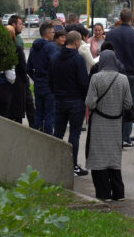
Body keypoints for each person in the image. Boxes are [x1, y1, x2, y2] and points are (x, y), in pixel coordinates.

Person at [85, 50, 133, 201]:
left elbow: (90, 102)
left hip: (99, 122)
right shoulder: (123, 79)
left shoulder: (96, 78)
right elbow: (128, 103)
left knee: (98, 157)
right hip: (116, 124)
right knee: (113, 157)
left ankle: (103, 193)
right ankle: (119, 193)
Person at [50, 31, 90, 177]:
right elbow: (83, 81)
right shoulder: (77, 59)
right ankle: (72, 165)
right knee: (74, 133)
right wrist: (85, 97)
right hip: (75, 101)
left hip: (59, 100)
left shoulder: (54, 57)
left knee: (58, 133)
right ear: (77, 42)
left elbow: (51, 79)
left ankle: (55, 163)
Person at [104, 8, 134, 148]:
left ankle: (114, 136)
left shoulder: (111, 34)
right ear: (131, 19)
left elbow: (106, 51)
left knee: (114, 104)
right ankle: (126, 138)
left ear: (119, 18)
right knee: (129, 105)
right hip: (131, 73)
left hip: (113, 72)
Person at [27, 22, 59, 134]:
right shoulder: (51, 47)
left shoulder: (33, 48)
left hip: (38, 85)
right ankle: (48, 139)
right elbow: (56, 65)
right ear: (48, 33)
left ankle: (37, 137)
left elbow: (28, 68)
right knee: (49, 114)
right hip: (49, 86)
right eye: (53, 32)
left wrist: (36, 78)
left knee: (39, 113)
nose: (54, 35)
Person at [9, 14, 35, 127]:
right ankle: (34, 126)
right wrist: (25, 78)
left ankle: (34, 125)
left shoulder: (18, 39)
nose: (22, 26)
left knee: (28, 104)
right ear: (13, 25)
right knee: (25, 104)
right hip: (18, 80)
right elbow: (21, 64)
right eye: (20, 24)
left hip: (18, 79)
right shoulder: (16, 45)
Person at [8, 25, 29, 123]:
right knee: (17, 114)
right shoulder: (17, 48)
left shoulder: (2, 48)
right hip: (18, 83)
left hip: (6, 86)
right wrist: (25, 81)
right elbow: (23, 67)